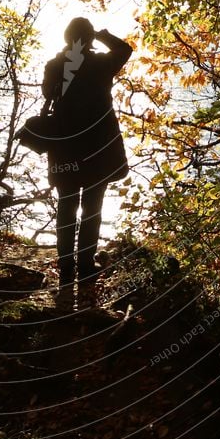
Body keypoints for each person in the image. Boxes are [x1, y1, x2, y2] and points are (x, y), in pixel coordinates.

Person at [41, 17, 133, 304]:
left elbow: (47, 94)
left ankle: (67, 271)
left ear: (67, 37)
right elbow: (125, 50)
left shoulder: (55, 65)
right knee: (92, 209)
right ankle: (86, 270)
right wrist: (102, 34)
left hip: (65, 148)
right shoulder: (101, 65)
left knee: (66, 206)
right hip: (98, 150)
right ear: (89, 38)